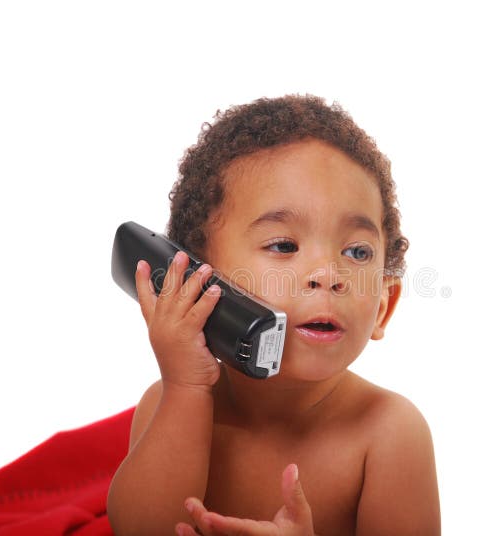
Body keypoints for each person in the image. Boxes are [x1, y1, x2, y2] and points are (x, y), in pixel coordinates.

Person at [107, 94, 440, 535]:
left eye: (356, 251)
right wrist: (185, 387)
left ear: (384, 306)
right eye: (284, 245)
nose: (328, 275)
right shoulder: (169, 404)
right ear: (199, 282)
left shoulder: (390, 434)